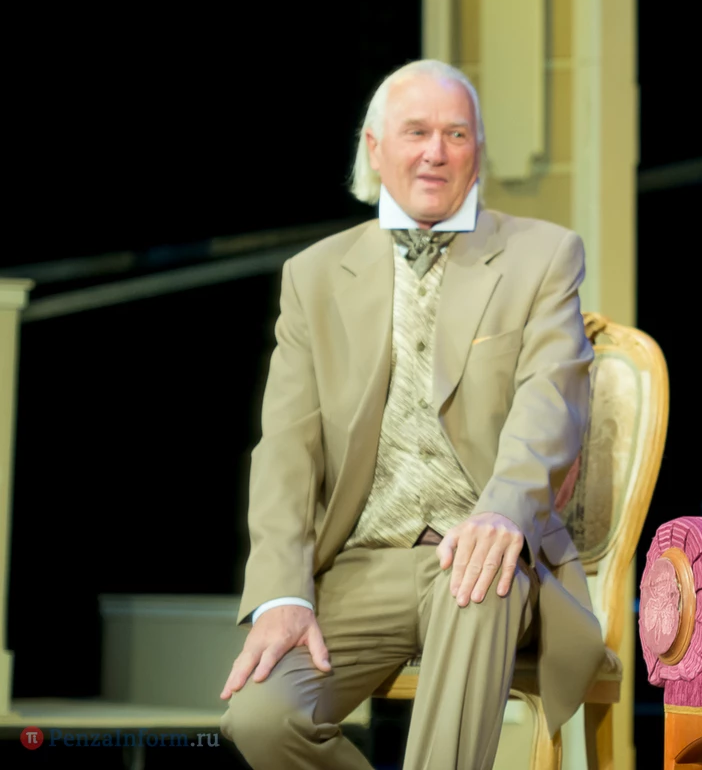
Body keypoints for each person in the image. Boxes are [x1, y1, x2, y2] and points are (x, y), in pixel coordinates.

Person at [219, 60, 605, 770]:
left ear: (477, 151)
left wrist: (500, 515)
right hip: (359, 564)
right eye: (416, 132)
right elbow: (286, 450)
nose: (436, 151)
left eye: (456, 134)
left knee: (479, 581)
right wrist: (279, 594)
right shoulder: (313, 276)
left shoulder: (543, 255)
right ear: (374, 148)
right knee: (261, 718)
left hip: (486, 549)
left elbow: (551, 403)